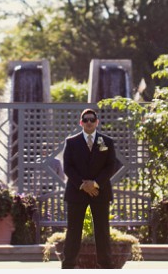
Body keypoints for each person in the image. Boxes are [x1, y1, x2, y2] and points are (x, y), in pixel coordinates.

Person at [61, 108, 117, 268]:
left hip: (100, 191)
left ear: (97, 122)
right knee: (73, 230)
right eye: (86, 120)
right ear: (81, 123)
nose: (89, 122)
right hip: (76, 191)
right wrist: (83, 185)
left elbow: (111, 166)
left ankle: (106, 265)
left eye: (92, 119)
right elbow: (68, 167)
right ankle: (68, 265)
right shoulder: (71, 142)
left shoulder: (106, 142)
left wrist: (95, 184)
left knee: (102, 230)